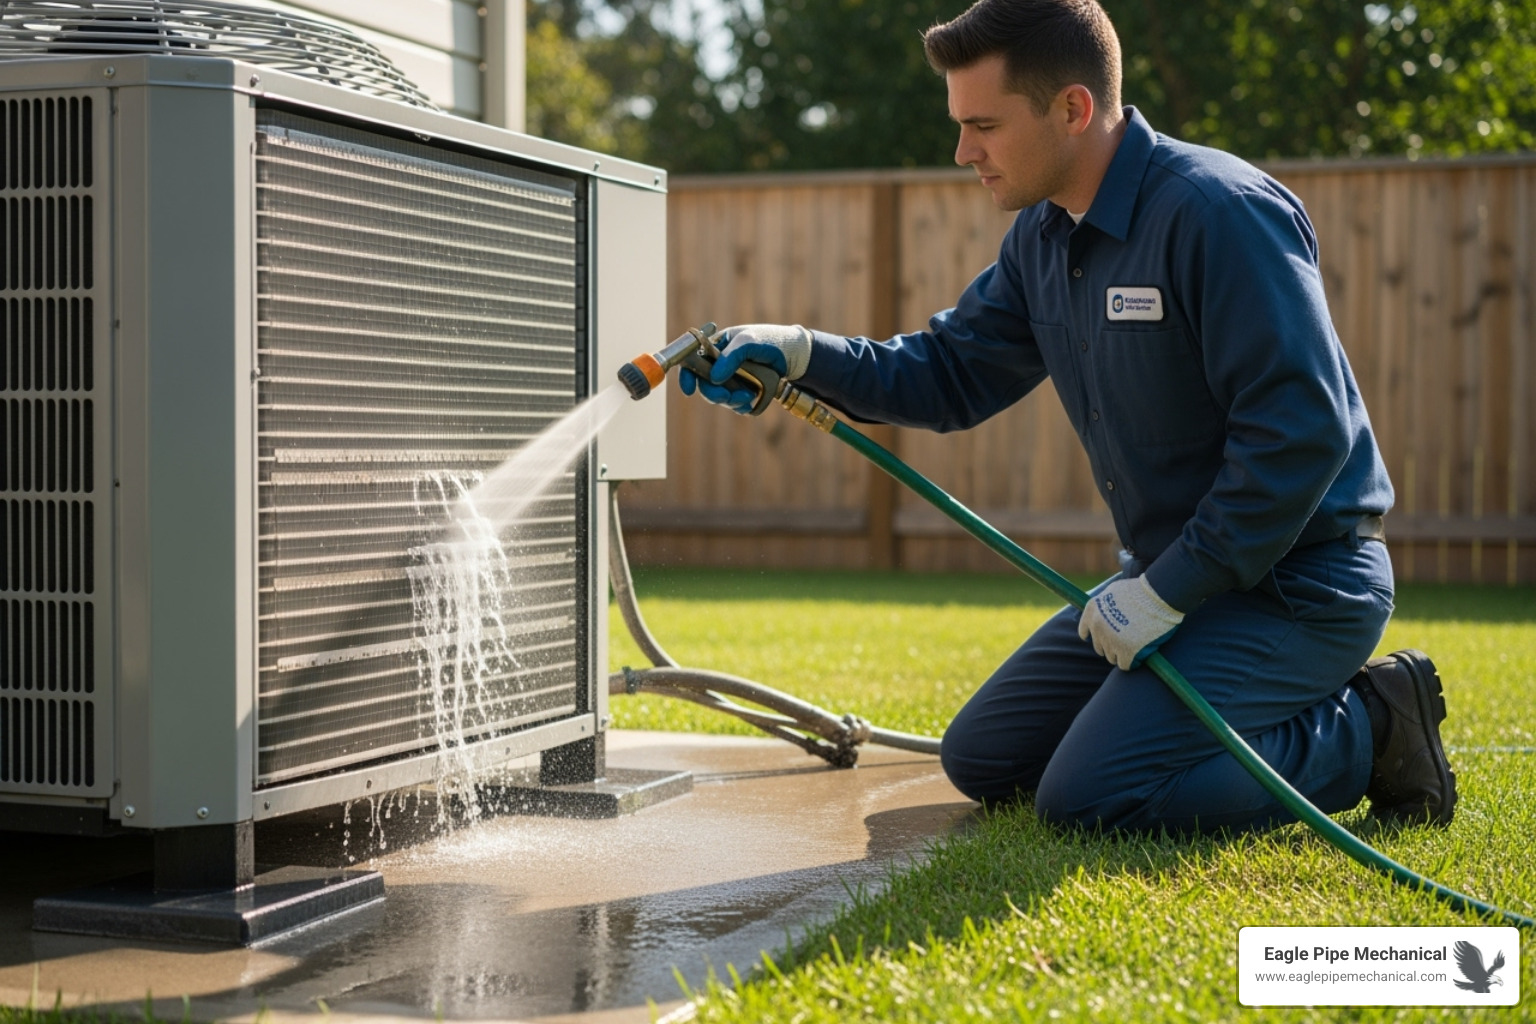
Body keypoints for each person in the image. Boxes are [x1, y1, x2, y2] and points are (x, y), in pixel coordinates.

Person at [679, 0, 1456, 833]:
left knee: (1091, 798)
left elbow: (1301, 434)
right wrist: (801, 353)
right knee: (984, 759)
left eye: (983, 125)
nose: (963, 152)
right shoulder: (1043, 238)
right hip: (1164, 581)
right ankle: (1198, 723)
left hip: (1299, 585)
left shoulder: (1219, 212)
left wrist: (1170, 589)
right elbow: (947, 374)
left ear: (1073, 109)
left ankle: (1374, 726)